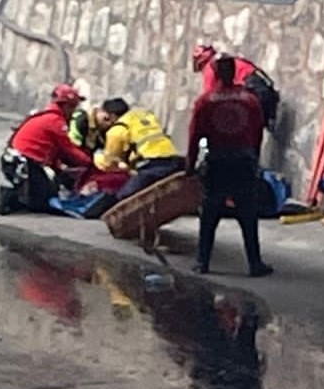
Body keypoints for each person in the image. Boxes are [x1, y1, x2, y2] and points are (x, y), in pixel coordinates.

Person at [186, 55, 274, 277]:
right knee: (247, 214)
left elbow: (195, 135)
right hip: (243, 161)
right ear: (235, 72)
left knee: (209, 214)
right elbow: (257, 133)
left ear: (214, 73)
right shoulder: (250, 100)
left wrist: (190, 164)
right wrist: (254, 158)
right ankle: (255, 263)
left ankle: (202, 262)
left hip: (217, 161)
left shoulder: (206, 101)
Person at [0, 83, 93, 214]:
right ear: (64, 105)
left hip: (15, 159)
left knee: (46, 192)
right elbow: (68, 150)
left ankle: (15, 196)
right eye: (71, 107)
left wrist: (59, 168)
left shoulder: (45, 116)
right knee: (43, 202)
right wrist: (90, 163)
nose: (73, 111)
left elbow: (54, 151)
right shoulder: (55, 122)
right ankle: (8, 196)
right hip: (24, 163)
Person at [94, 102, 186, 201]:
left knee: (123, 197)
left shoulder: (117, 130)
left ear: (111, 116)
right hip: (175, 161)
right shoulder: (146, 117)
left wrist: (98, 157)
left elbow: (110, 162)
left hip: (151, 167)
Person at [191, 43, 281, 129]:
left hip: (248, 85)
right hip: (259, 81)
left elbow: (209, 96)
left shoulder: (210, 68)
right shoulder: (224, 59)